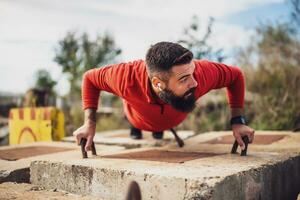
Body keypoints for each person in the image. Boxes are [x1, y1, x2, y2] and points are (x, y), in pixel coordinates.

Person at [73, 41, 255, 152]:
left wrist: (237, 120)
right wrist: (89, 123)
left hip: (173, 119)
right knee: (134, 109)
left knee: (186, 87)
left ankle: (159, 128)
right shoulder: (125, 77)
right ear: (157, 83)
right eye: (184, 79)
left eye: (192, 72)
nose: (195, 83)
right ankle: (137, 126)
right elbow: (89, 78)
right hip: (138, 118)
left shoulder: (200, 74)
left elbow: (236, 75)